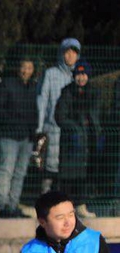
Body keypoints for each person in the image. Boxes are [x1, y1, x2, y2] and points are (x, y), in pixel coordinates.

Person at [53, 63, 101, 219]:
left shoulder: (93, 92)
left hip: (88, 141)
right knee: (69, 175)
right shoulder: (67, 92)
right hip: (71, 143)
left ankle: (81, 206)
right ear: (74, 76)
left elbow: (94, 115)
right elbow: (60, 116)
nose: (81, 78)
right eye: (78, 75)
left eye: (84, 74)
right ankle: (66, 208)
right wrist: (74, 128)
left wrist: (97, 132)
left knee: (84, 175)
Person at [0, 58, 38, 218]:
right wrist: (11, 122)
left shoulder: (33, 87)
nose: (26, 70)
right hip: (9, 135)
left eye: (29, 67)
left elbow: (35, 111)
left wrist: (33, 131)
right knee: (6, 169)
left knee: (20, 173)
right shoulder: (7, 84)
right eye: (23, 67)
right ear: (18, 68)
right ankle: (2, 205)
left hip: (26, 136)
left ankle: (13, 204)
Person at [36, 38, 81, 194]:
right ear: (61, 53)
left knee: (68, 168)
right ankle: (45, 199)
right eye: (67, 52)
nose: (70, 56)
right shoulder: (50, 74)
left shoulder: (79, 76)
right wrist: (40, 127)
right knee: (50, 167)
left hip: (71, 131)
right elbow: (42, 99)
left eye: (74, 53)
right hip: (52, 128)